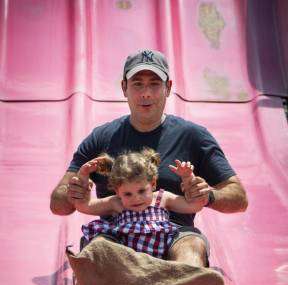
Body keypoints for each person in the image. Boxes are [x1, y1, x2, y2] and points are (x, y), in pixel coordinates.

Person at [50, 49, 248, 266]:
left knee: (191, 248)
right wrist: (74, 192)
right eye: (137, 84)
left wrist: (207, 196)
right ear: (124, 87)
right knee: (98, 251)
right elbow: (58, 204)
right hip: (116, 235)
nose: (146, 93)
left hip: (174, 235)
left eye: (154, 84)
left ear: (168, 88)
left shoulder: (193, 137)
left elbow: (238, 197)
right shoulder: (101, 138)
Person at [73, 148, 207, 259]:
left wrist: (187, 177)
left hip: (162, 258)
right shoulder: (117, 203)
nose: (136, 198)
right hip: (126, 260)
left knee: (183, 249)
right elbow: (85, 206)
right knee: (100, 243)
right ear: (117, 191)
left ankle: (184, 277)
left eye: (142, 191)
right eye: (128, 194)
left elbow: (194, 206)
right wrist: (83, 176)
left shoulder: (162, 198)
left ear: (153, 184)